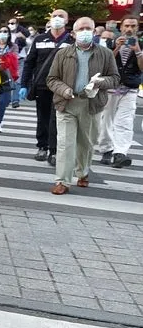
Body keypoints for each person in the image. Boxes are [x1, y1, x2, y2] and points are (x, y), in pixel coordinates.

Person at [46, 16, 120, 195]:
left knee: (86, 143)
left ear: (94, 32)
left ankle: (83, 173)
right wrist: (64, 90)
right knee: (65, 143)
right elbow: (52, 79)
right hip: (67, 103)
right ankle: (62, 181)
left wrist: (99, 82)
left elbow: (115, 78)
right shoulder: (63, 54)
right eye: (81, 29)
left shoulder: (105, 54)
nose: (85, 32)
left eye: (88, 29)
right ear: (73, 33)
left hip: (91, 104)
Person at [20, 9, 71, 165]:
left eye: (61, 16)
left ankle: (54, 151)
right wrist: (24, 84)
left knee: (58, 119)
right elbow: (29, 62)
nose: (57, 19)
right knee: (43, 118)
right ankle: (42, 146)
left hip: (63, 87)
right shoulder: (40, 39)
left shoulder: (72, 40)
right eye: (54, 16)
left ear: (67, 20)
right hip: (42, 85)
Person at [97, 16, 141, 168]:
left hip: (129, 88)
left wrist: (138, 51)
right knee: (105, 120)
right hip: (111, 87)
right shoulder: (109, 42)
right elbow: (103, 66)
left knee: (125, 121)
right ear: (120, 27)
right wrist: (115, 48)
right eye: (127, 26)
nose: (129, 29)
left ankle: (120, 153)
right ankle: (106, 149)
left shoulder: (140, 44)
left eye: (133, 26)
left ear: (137, 28)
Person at [0, 26, 21, 132]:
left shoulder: (13, 46)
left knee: (4, 101)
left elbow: (14, 58)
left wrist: (1, 59)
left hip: (6, 75)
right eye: (0, 31)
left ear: (9, 34)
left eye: (5, 31)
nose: (2, 33)